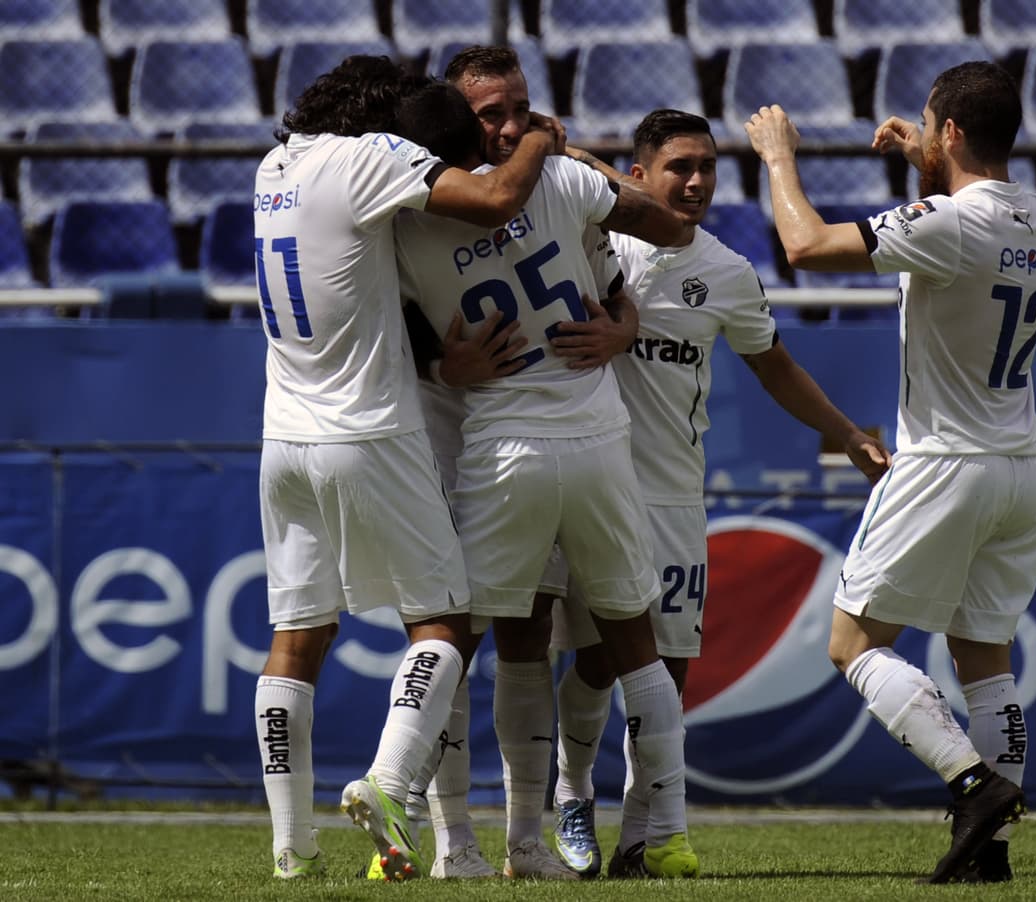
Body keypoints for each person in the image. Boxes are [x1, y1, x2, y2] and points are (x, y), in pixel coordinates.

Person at [545, 109, 892, 878]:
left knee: (666, 671)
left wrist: (844, 431)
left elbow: (774, 366)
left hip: (670, 496)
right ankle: (570, 795)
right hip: (583, 483)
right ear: (637, 175)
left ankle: (647, 836)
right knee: (595, 660)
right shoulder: (592, 243)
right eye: (679, 167)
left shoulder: (728, 271)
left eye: (707, 166)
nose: (697, 181)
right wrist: (560, 143)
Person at [745, 60, 1036, 884]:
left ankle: (973, 785)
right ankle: (990, 851)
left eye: (930, 124)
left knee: (853, 644)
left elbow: (806, 245)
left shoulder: (953, 225)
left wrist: (777, 157)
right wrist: (926, 160)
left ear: (952, 131)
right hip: (1020, 468)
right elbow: (959, 211)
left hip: (943, 464)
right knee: (984, 654)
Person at [250, 55, 556, 881]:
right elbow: (494, 198)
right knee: (445, 623)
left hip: (283, 437)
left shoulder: (273, 167)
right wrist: (539, 141)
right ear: (385, 114)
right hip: (369, 432)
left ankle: (290, 848)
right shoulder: (364, 158)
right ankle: (389, 789)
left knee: (297, 637)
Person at [391, 76, 701, 880]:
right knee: (625, 644)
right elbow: (664, 223)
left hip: (505, 447)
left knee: (456, 640)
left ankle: (465, 820)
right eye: (489, 115)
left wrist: (625, 322)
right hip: (551, 440)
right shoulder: (562, 177)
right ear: (459, 120)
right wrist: (436, 360)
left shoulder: (406, 215)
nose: (508, 126)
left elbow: (624, 271)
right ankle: (459, 837)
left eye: (518, 112)